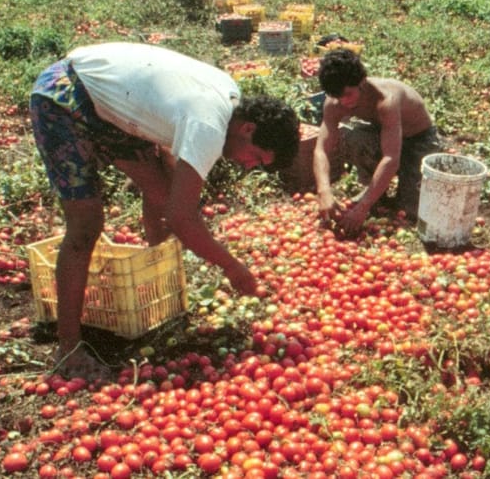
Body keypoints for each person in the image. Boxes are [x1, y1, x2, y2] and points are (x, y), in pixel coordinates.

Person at [28, 42, 300, 379]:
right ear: (248, 129)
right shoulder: (209, 126)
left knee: (161, 190)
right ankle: (68, 347)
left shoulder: (229, 97)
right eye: (256, 157)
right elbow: (181, 217)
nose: (248, 166)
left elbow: (169, 189)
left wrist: (167, 227)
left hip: (111, 106)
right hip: (65, 96)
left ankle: (160, 291)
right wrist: (232, 266)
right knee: (86, 223)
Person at [313, 49, 443, 236]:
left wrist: (363, 207)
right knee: (355, 137)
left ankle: (382, 193)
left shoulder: (385, 100)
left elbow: (391, 158)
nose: (343, 101)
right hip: (384, 134)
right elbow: (321, 150)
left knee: (411, 210)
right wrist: (323, 190)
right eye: (337, 96)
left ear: (361, 82)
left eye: (348, 94)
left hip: (419, 140)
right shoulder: (334, 103)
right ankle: (376, 194)